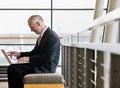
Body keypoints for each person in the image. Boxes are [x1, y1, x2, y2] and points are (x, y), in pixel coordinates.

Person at [7, 15, 60, 88]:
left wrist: (29, 59)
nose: (31, 30)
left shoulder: (51, 36)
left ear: (38, 24)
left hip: (45, 68)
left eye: (32, 27)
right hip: (40, 65)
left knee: (13, 69)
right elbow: (34, 52)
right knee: (13, 68)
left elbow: (48, 58)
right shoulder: (43, 36)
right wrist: (19, 54)